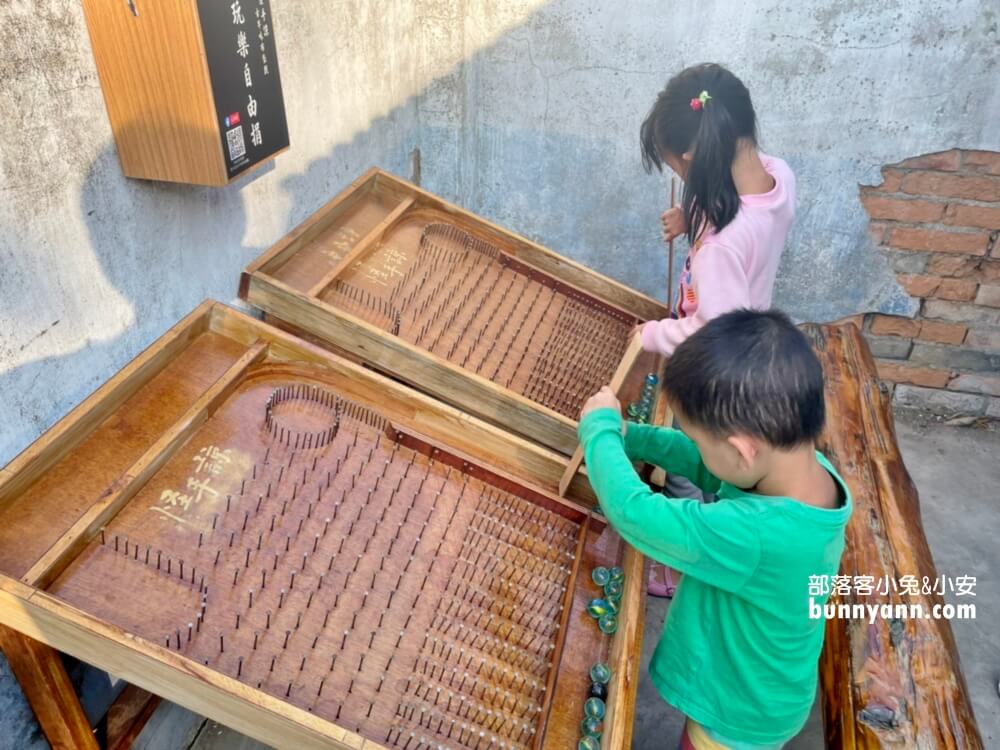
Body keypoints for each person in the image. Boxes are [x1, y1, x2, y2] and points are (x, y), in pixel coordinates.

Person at [579, 310, 851, 750]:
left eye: (706, 443)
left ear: (743, 451)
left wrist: (600, 433)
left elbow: (635, 514)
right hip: (764, 692)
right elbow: (704, 463)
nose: (700, 453)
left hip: (735, 716)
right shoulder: (803, 471)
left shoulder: (757, 535)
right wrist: (633, 436)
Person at [637, 63, 797, 597]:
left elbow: (714, 328)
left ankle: (682, 561)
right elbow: (741, 209)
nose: (683, 184)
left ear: (691, 160)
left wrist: (654, 335)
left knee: (692, 461)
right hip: (755, 342)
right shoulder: (777, 176)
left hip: (717, 370)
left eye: (679, 174)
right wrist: (693, 215)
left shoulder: (723, 246)